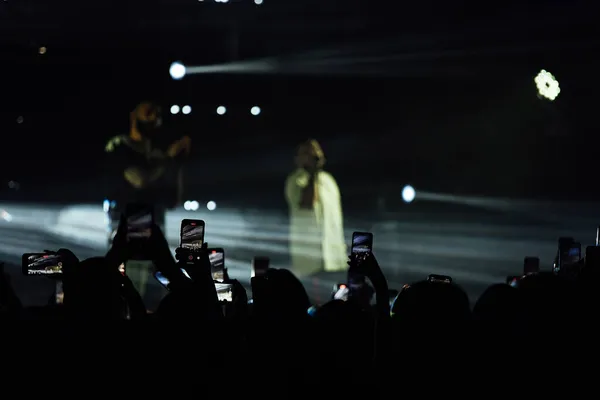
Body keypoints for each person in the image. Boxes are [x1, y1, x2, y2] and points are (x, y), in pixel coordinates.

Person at [104, 101, 191, 296]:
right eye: (149, 113)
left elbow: (173, 200)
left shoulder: (157, 155)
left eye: (158, 114)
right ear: (134, 116)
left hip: (155, 232)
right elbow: (139, 180)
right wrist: (168, 159)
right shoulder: (119, 145)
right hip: (127, 231)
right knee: (128, 290)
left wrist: (178, 164)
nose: (155, 119)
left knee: (158, 292)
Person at [285, 139, 347, 276]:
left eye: (316, 151)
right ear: (297, 159)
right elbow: (306, 203)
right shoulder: (295, 180)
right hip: (309, 263)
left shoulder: (328, 180)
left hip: (334, 260)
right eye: (307, 152)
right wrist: (313, 174)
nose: (314, 155)